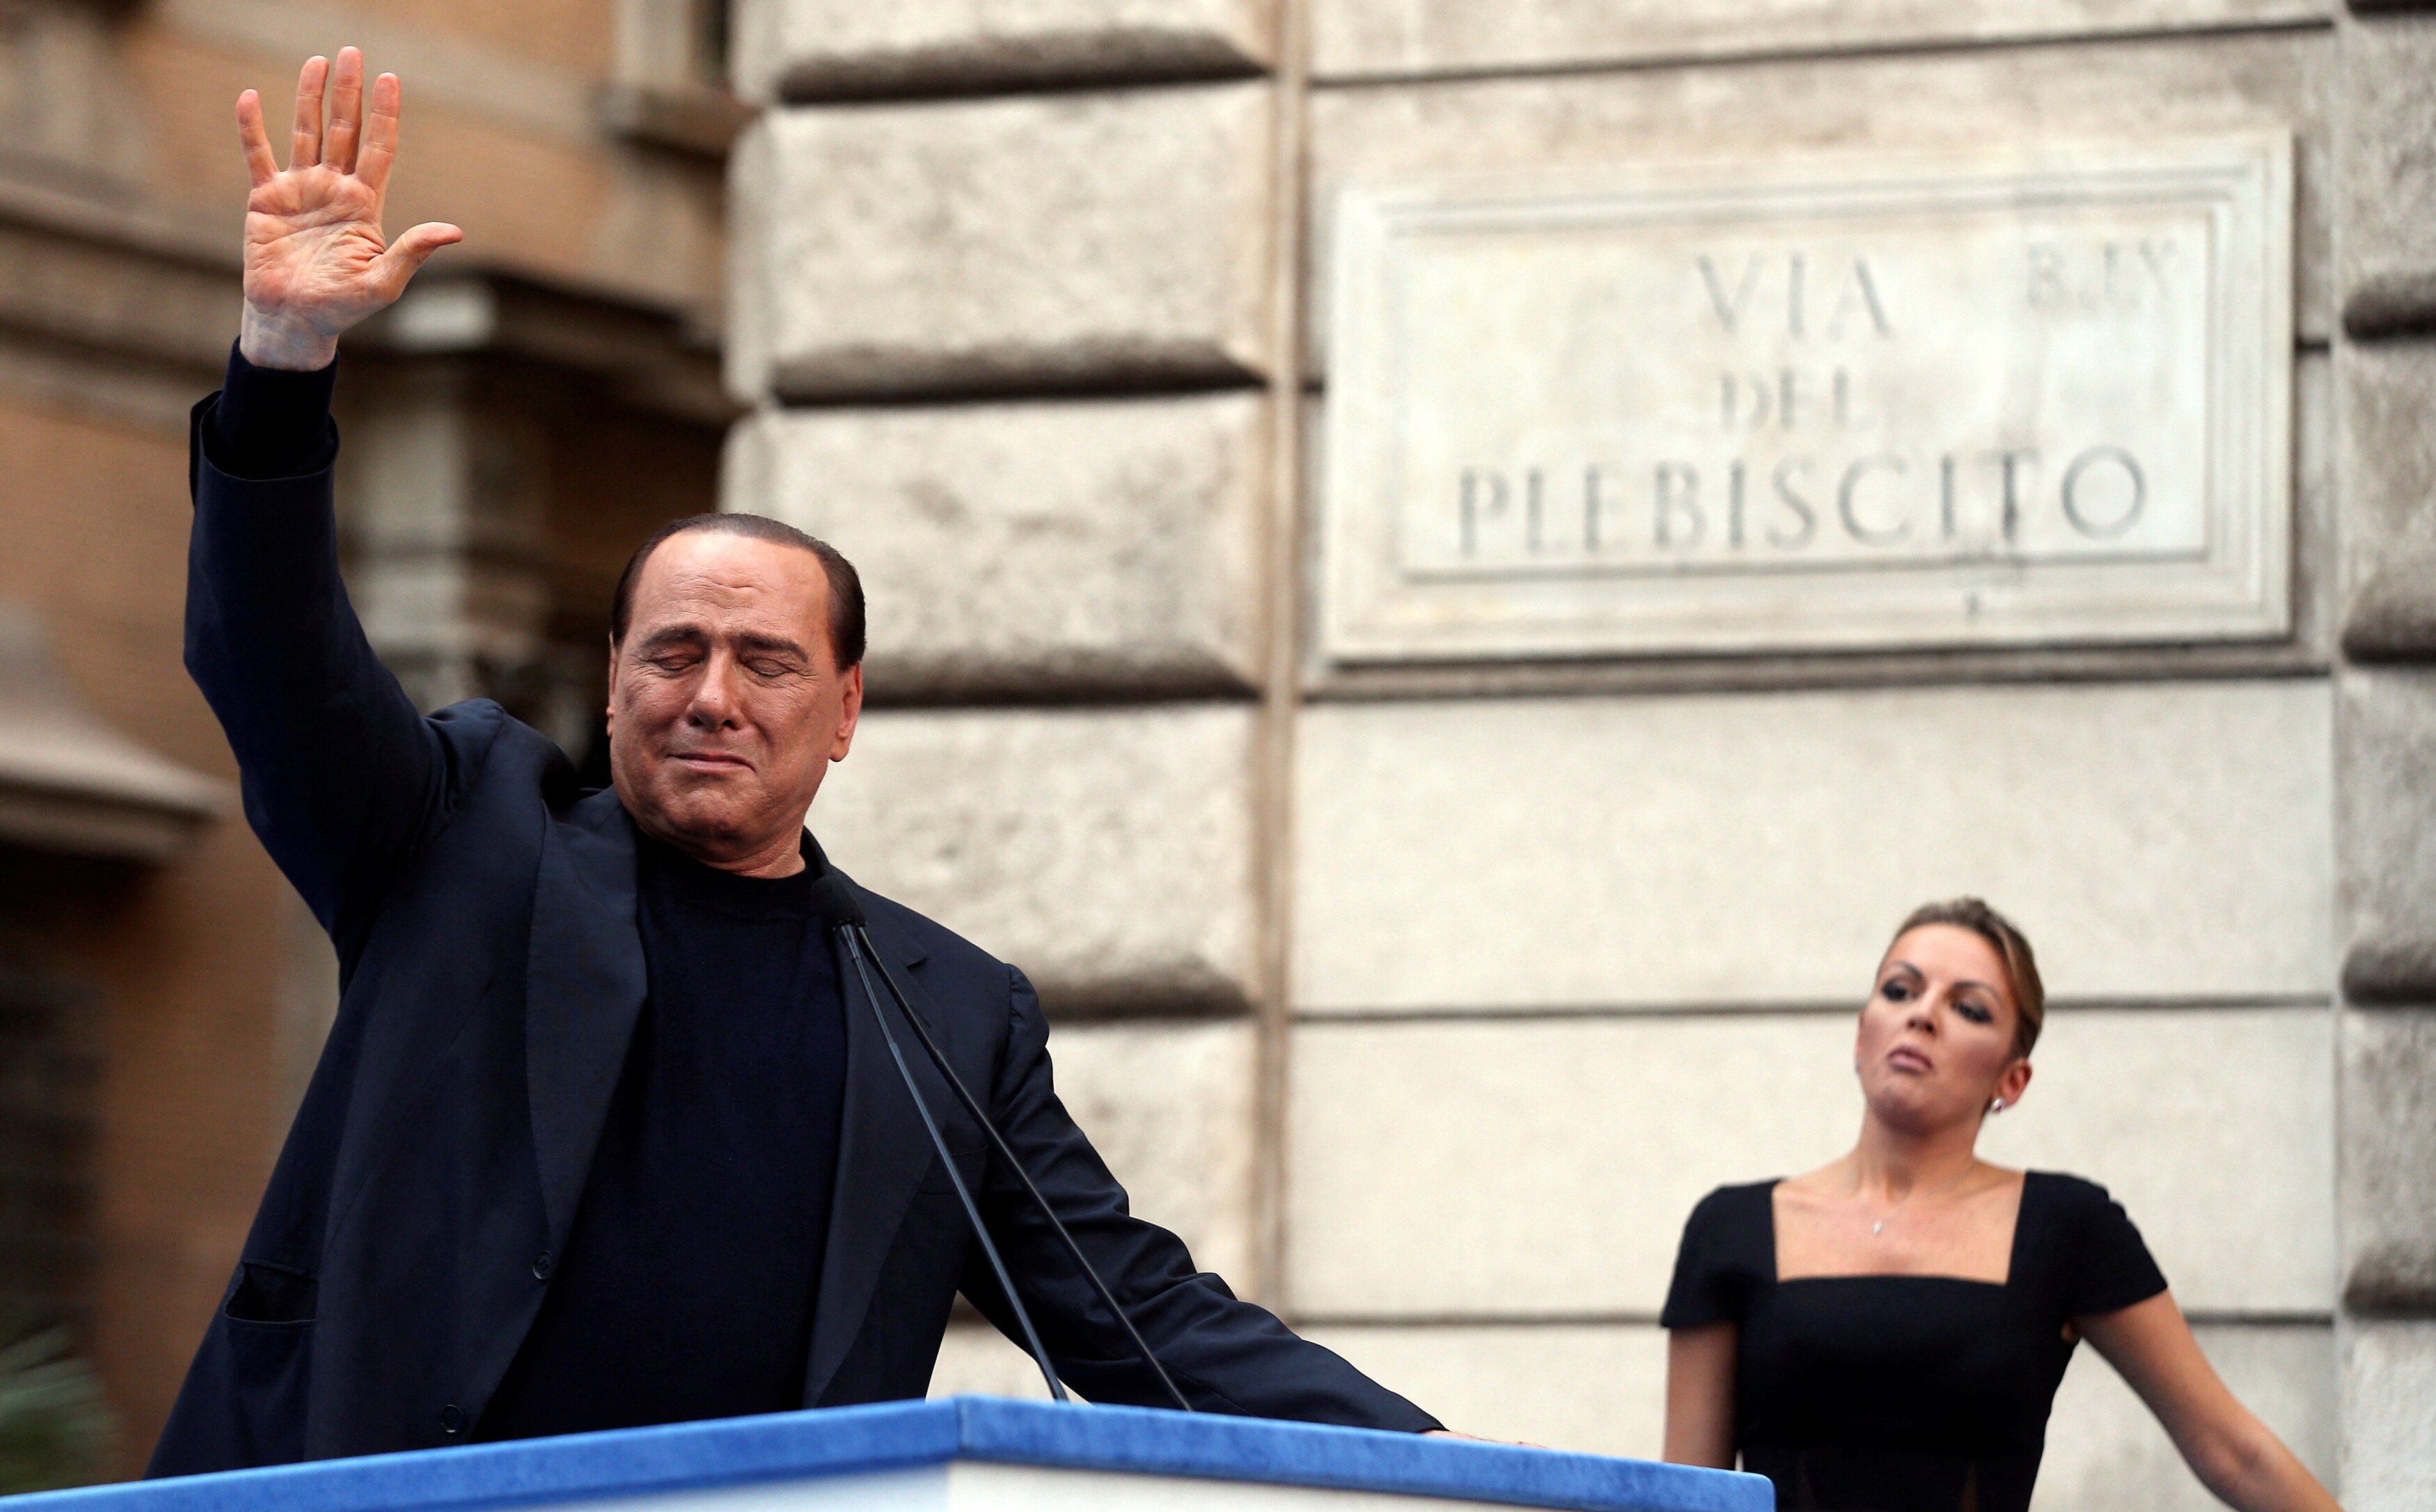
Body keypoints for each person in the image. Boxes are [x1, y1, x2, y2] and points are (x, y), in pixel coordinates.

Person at [150, 49, 1441, 1474]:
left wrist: (1463, 1469)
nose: (711, 696)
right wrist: (283, 362)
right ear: (613, 677)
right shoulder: (461, 835)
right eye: (672, 652)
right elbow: (272, 658)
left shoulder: (949, 1009)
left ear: (844, 711)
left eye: (764, 663)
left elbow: (1136, 1317)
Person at [1659, 898, 2339, 1512]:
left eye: (1968, 1007)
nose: (1921, 1014)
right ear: (1861, 1030)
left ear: (2010, 1081)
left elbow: (2231, 1450)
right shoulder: (1730, 1228)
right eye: (1899, 990)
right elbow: (1687, 1495)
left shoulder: (2066, 1226)